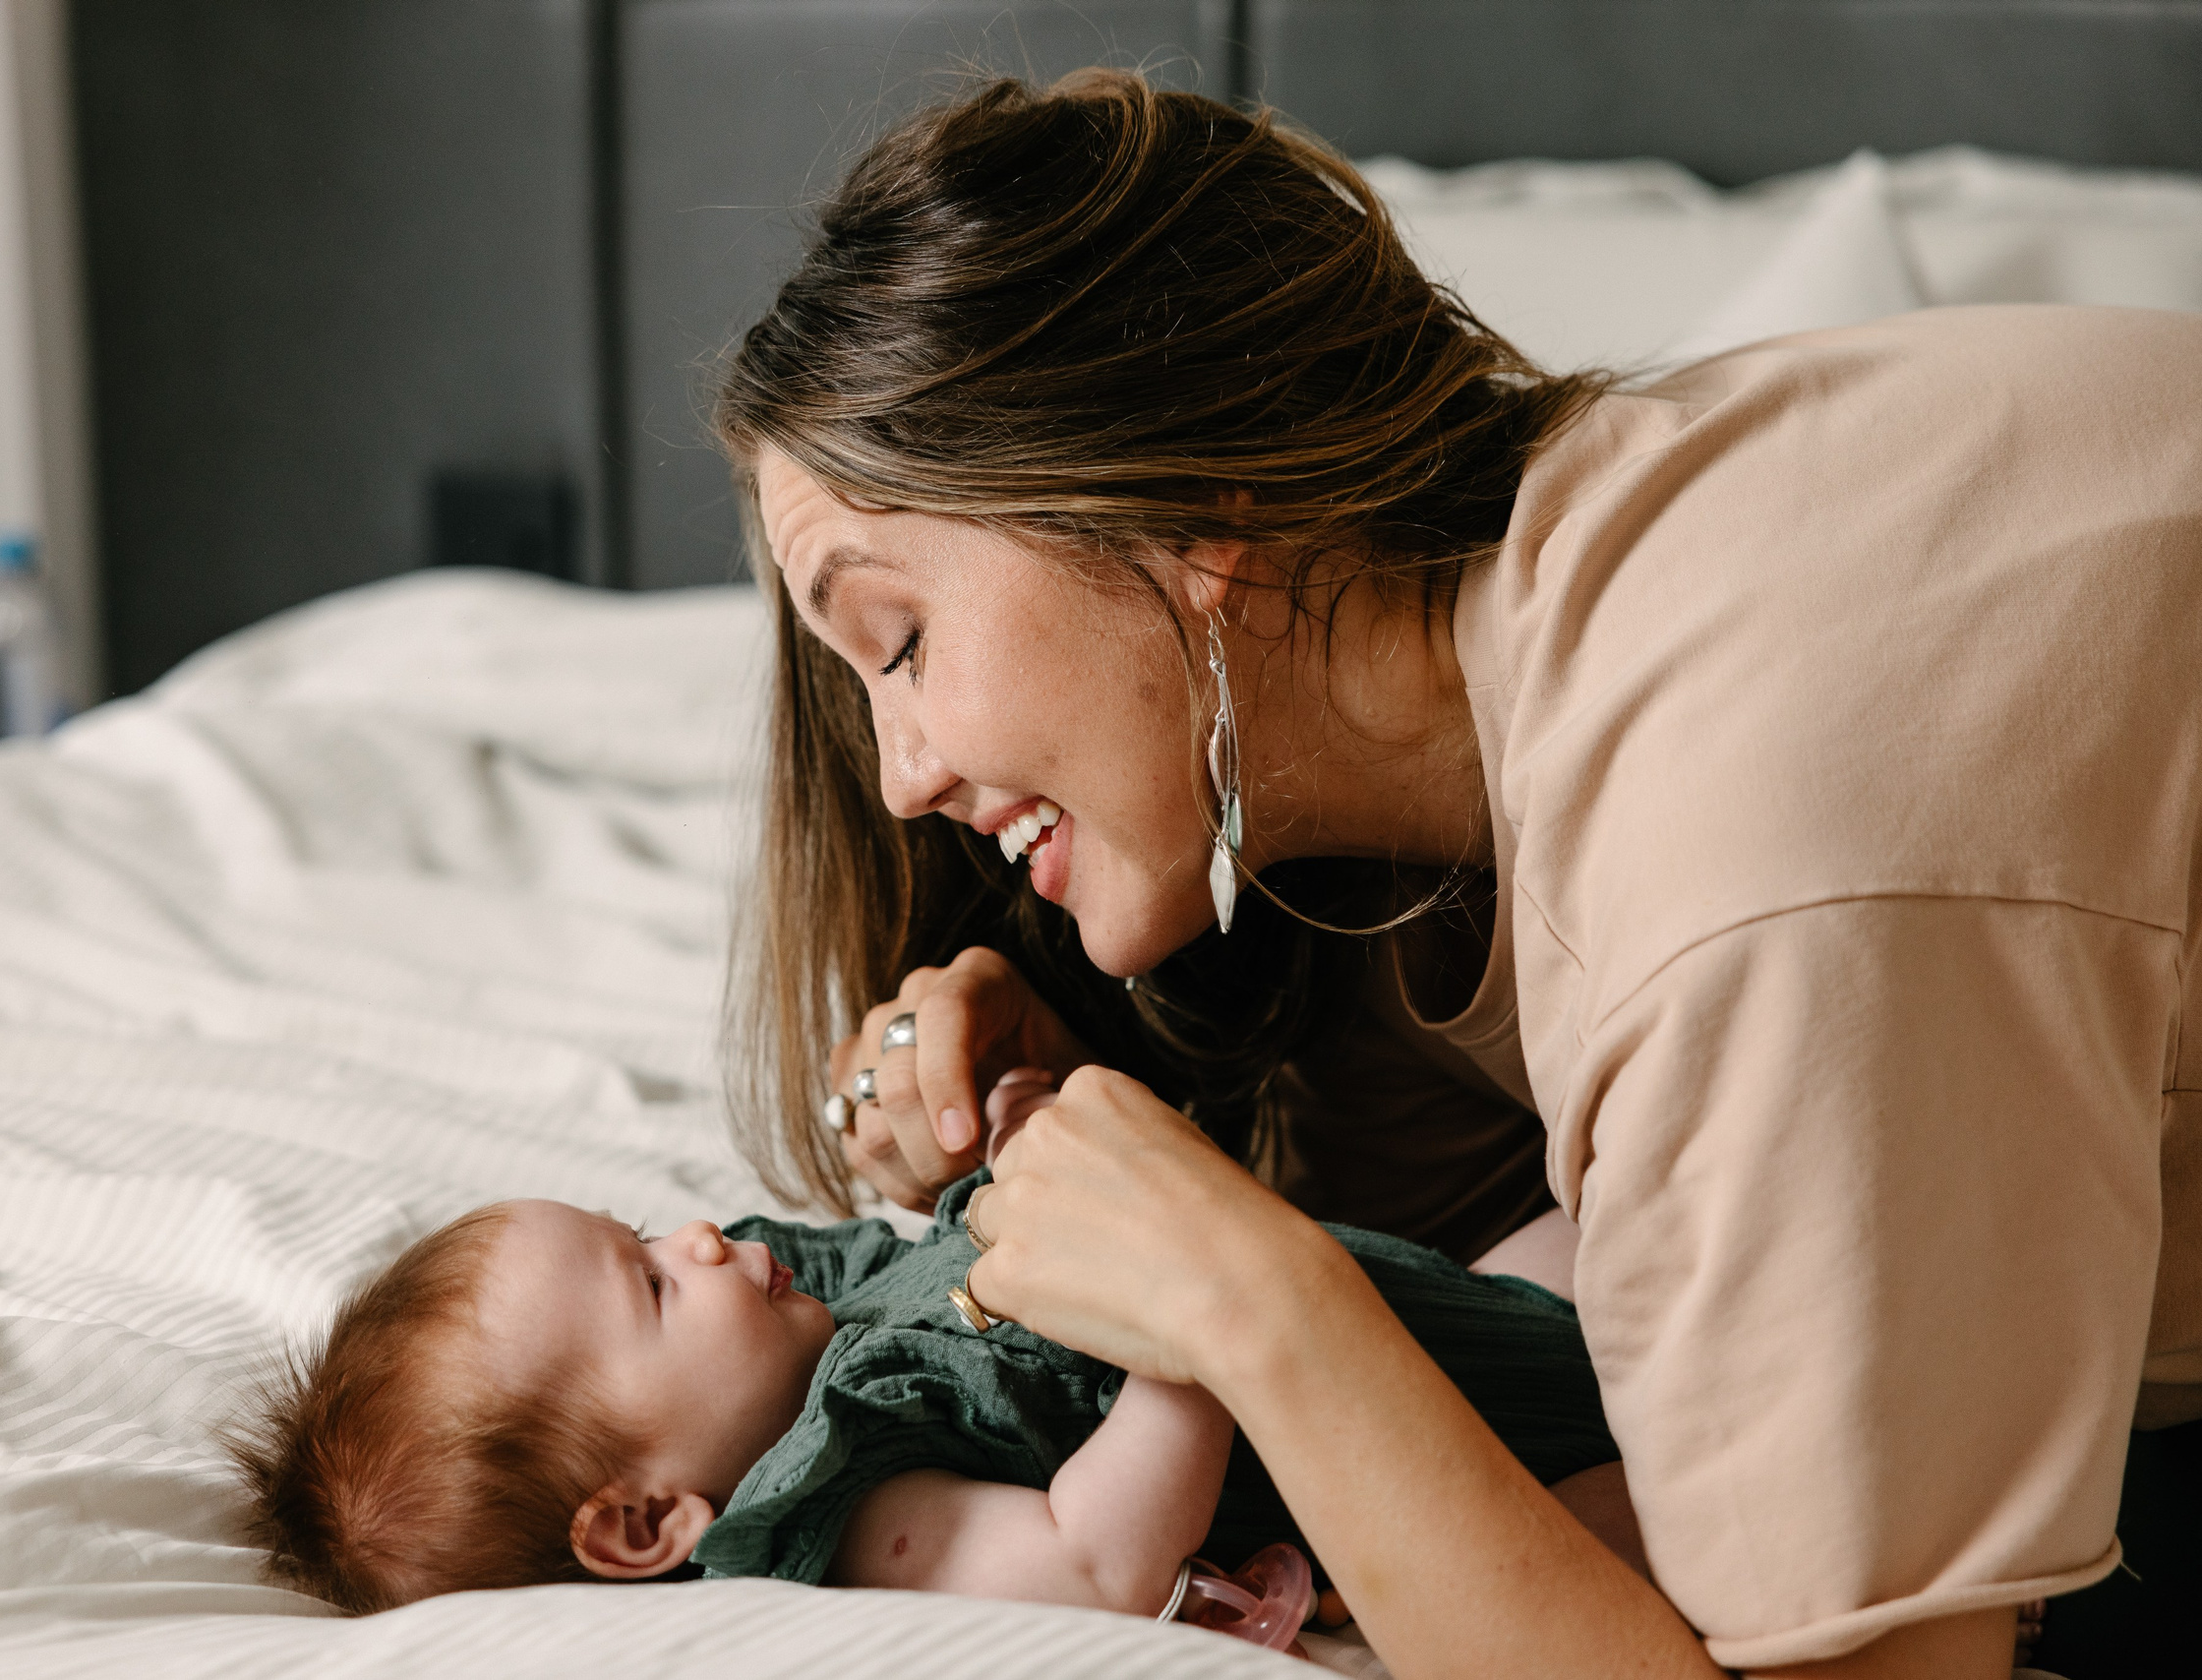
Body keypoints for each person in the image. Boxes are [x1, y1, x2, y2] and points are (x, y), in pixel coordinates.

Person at [716, 68, 2202, 1680]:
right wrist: (1109, 1113)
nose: (904, 774)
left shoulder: (1741, 870)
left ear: (1186, 502)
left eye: (904, 641)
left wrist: (1262, 1310)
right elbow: (1545, 1290)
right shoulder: (1523, 674)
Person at [221, 1071, 1627, 1618]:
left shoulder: (808, 1322)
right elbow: (1094, 1554)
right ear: (646, 1520)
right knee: (1639, 1498)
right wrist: (1177, 1325)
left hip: (1436, 1312)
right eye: (651, 1287)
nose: (699, 1241)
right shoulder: (863, 1505)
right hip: (1457, 1457)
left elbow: (955, 1256)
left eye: (647, 1227)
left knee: (1601, 1223)